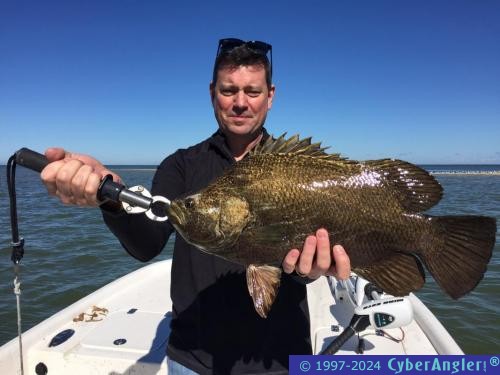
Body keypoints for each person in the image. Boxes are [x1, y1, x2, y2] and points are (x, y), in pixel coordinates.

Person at [41, 38, 351, 374]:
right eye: (229, 90)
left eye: (253, 91)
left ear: (271, 96)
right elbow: (147, 244)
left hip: (283, 359)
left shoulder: (298, 168)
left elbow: (302, 266)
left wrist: (311, 273)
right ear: (212, 93)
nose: (240, 103)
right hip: (193, 359)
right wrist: (111, 196)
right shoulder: (181, 166)